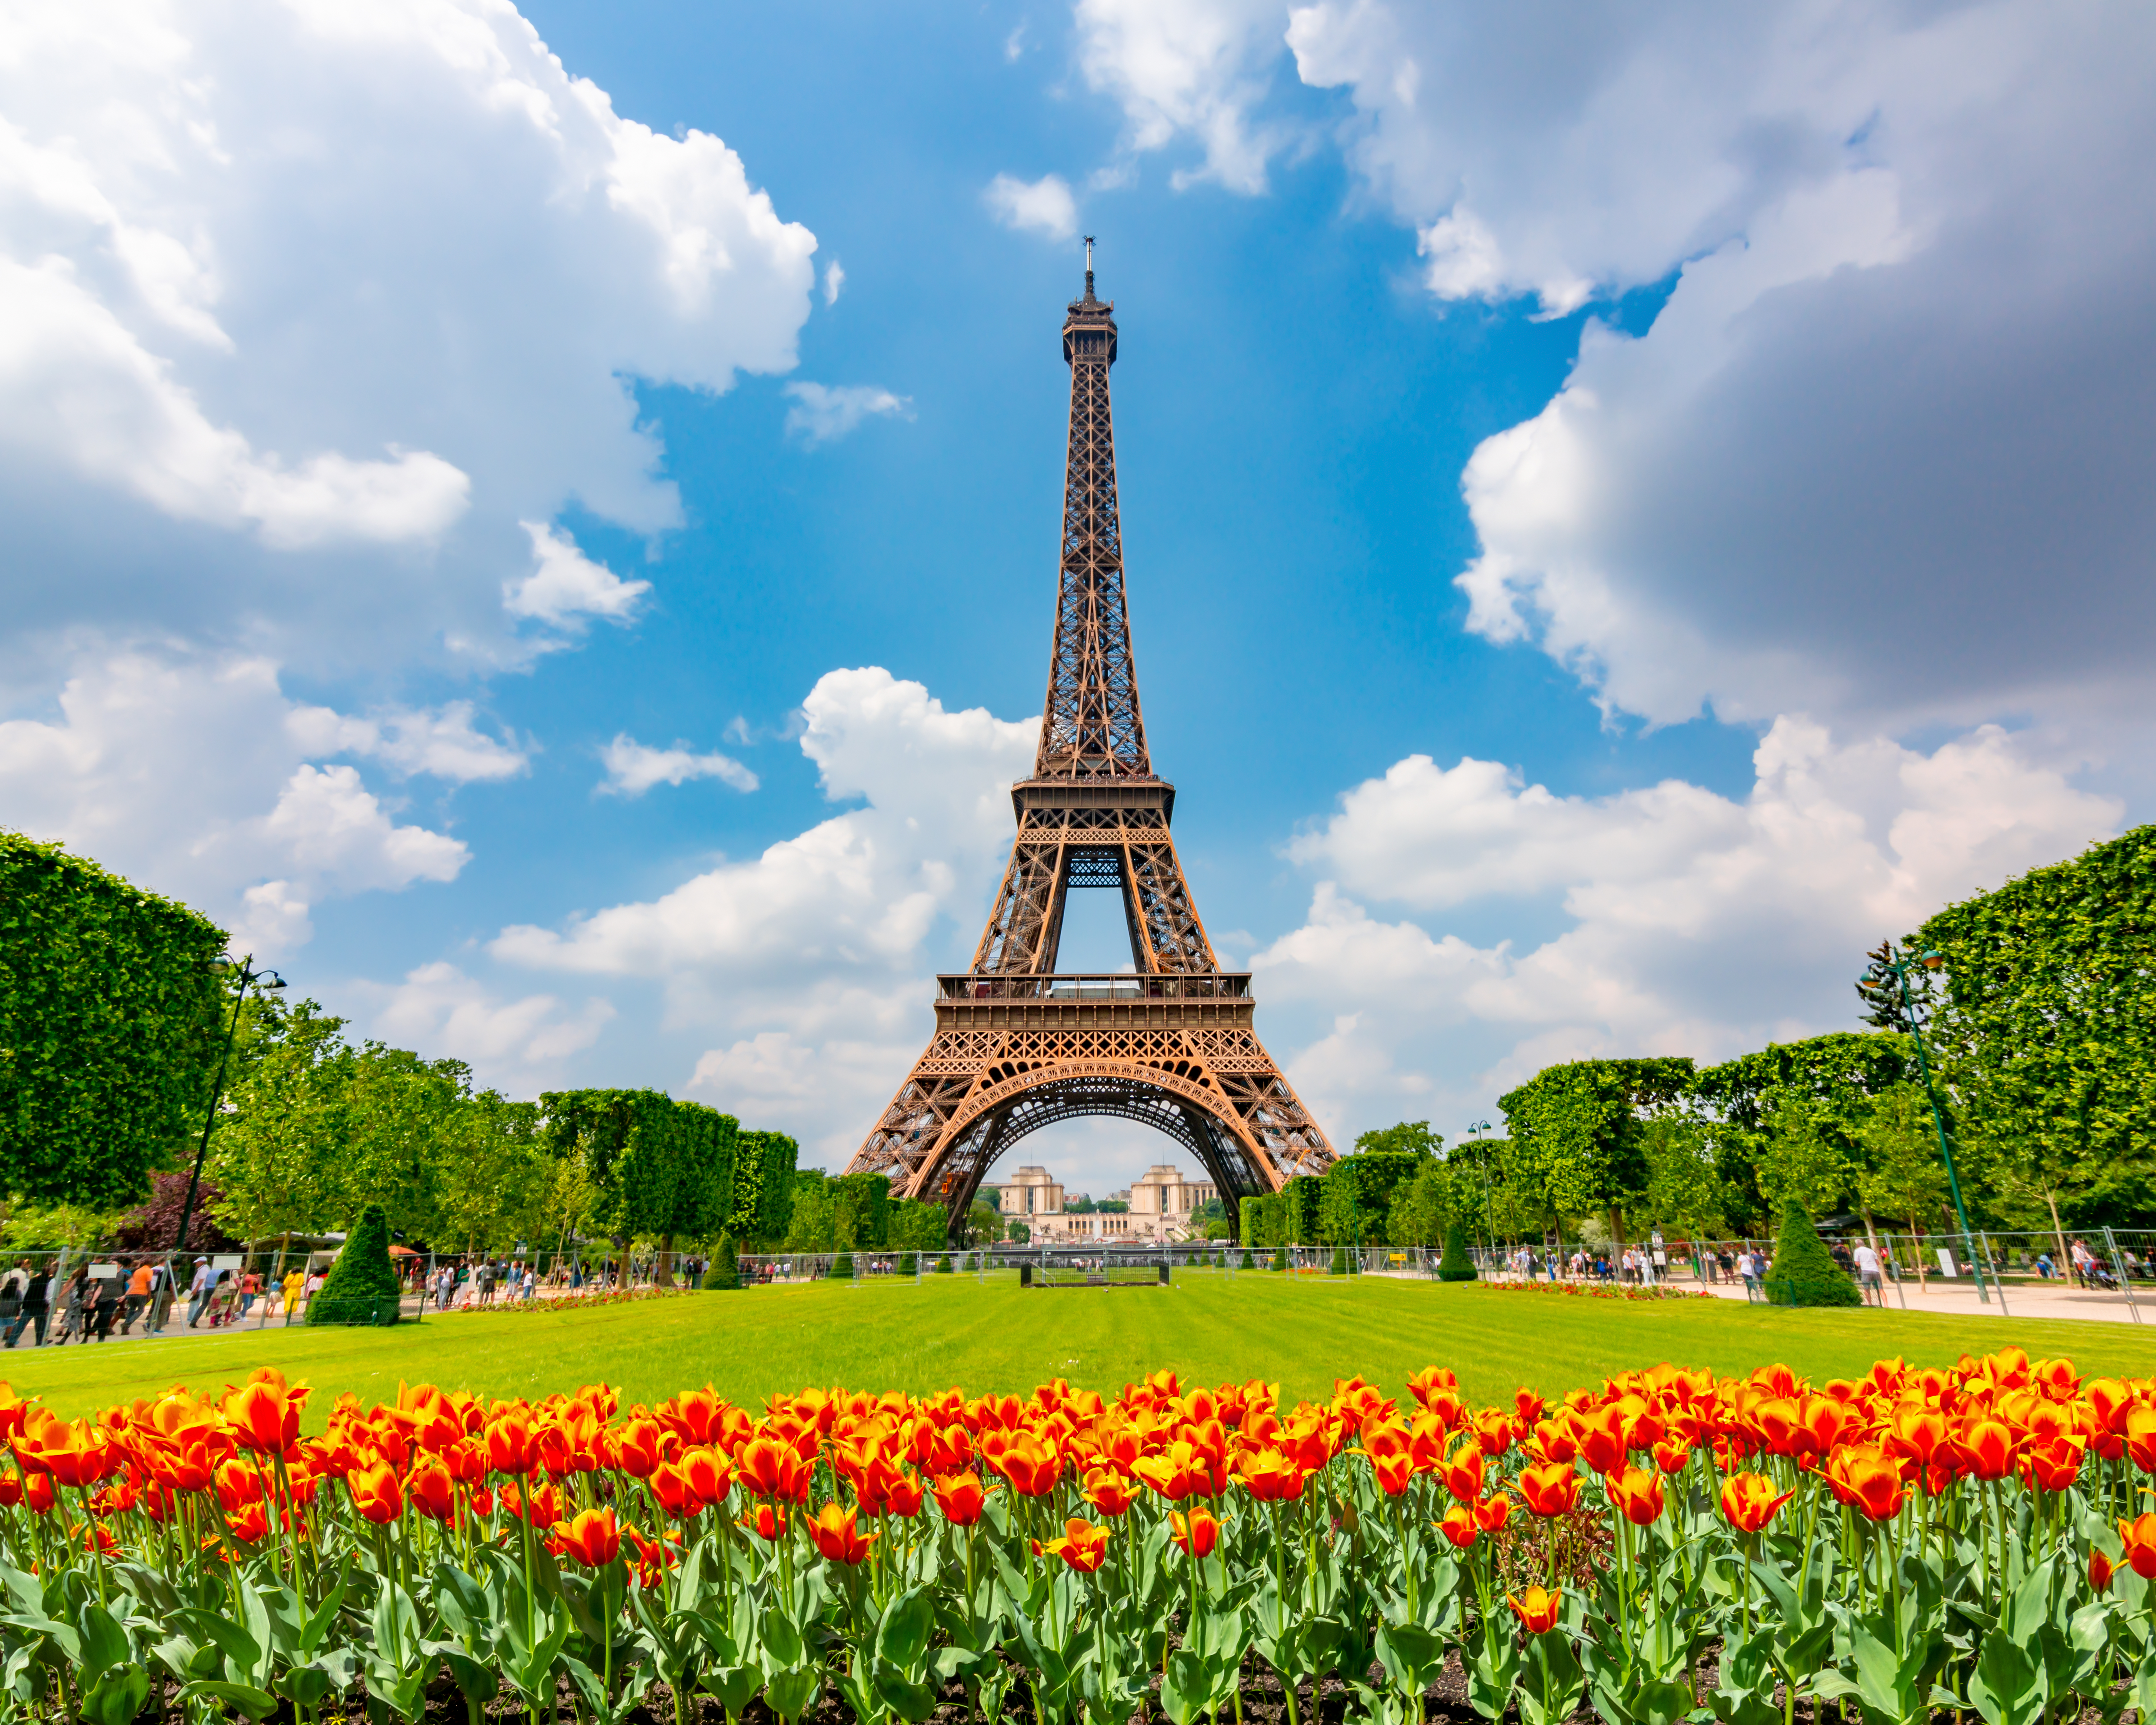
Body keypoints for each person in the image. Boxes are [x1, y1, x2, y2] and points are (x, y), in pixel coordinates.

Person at [4, 1265, 50, 1348]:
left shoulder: (33, 1280)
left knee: (21, 1324)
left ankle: (10, 1341)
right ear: (50, 1271)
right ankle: (40, 1341)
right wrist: (48, 1304)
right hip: (40, 1305)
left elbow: (28, 1291)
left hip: (29, 1303)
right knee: (40, 1324)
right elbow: (49, 1294)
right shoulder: (49, 1280)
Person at [1853, 1239, 1884, 1305]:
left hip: (1866, 1271)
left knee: (1867, 1289)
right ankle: (1886, 1305)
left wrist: (1862, 1264)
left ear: (1857, 1245)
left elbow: (1857, 1264)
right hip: (1876, 1271)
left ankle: (1870, 1304)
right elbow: (1878, 1263)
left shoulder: (1857, 1251)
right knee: (1880, 1289)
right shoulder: (1871, 1251)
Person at [185, 1257, 213, 1327]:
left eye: (198, 1262)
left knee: (195, 1304)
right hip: (201, 1289)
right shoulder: (205, 1269)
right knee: (194, 1304)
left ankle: (191, 1319)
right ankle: (191, 1319)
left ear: (202, 1262)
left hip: (200, 1289)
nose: (196, 1264)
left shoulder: (203, 1269)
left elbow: (202, 1280)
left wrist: (196, 1289)